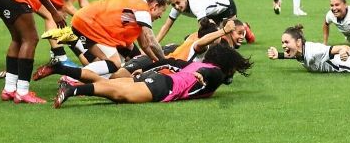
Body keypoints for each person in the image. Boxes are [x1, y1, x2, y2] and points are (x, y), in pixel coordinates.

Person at [52, 43, 253, 108]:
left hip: (158, 77)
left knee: (108, 84)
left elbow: (169, 62)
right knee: (119, 93)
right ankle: (72, 89)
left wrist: (146, 71)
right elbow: (211, 74)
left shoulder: (193, 64)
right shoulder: (214, 72)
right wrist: (202, 75)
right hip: (163, 87)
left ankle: (62, 69)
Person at [34, 0, 168, 80]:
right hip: (91, 26)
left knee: (108, 63)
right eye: (161, 11)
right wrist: (166, 61)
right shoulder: (143, 10)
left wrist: (155, 62)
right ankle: (67, 75)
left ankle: (72, 45)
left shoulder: (133, 0)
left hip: (87, 22)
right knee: (114, 64)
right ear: (154, 6)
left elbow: (144, 44)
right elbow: (151, 41)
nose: (161, 16)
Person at [156, 0, 254, 44]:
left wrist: (195, 43)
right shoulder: (177, 8)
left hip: (226, 6)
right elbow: (166, 26)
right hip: (210, 12)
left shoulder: (196, 6)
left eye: (178, 3)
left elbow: (203, 29)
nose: (176, 7)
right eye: (173, 5)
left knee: (231, 40)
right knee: (218, 37)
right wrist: (155, 43)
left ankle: (245, 29)